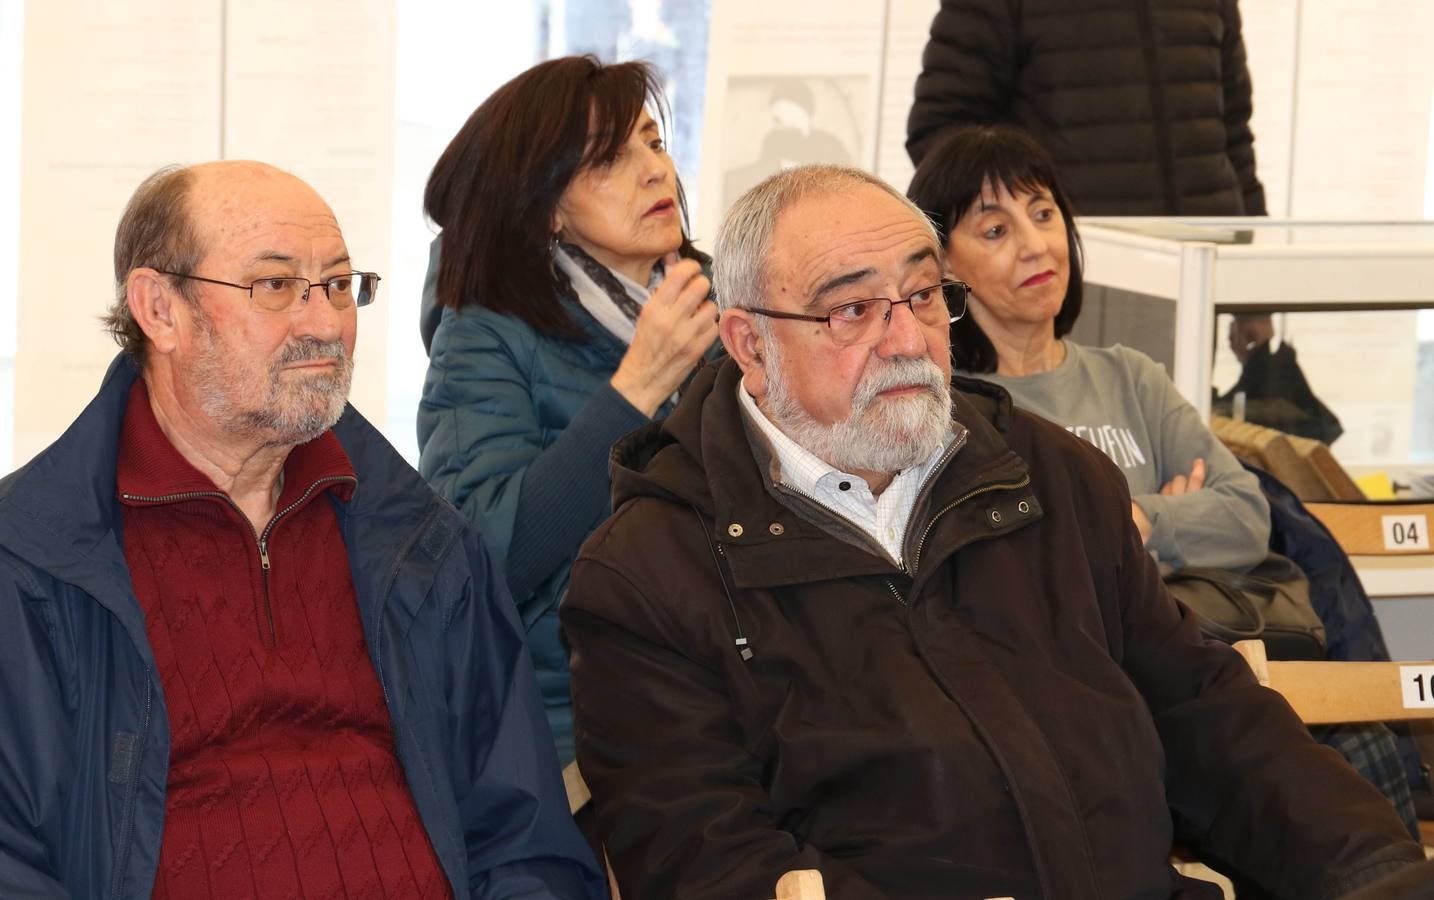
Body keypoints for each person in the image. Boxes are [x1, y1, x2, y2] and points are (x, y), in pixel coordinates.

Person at [559, 164, 1424, 898]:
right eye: (852, 311)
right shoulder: (649, 578)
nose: (907, 339)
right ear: (748, 344)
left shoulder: (1043, 474)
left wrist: (1381, 873)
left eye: (924, 294)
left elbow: (1208, 717)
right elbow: (711, 865)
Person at [0, 162, 604, 898]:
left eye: (341, 285)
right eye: (276, 286)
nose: (325, 323)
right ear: (160, 310)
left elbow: (526, 837)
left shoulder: (425, 546)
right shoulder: (31, 563)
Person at [417, 56, 718, 765]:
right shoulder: (484, 333)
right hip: (575, 732)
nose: (655, 171)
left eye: (654, 141)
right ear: (548, 206)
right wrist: (636, 391)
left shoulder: (716, 306)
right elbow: (482, 561)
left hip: (726, 704)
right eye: (612, 158)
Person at [908, 124, 1269, 573]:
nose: (1036, 247)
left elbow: (1247, 518)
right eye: (997, 230)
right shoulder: (945, 410)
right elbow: (1011, 568)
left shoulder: (1133, 379)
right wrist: (1166, 528)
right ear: (942, 264)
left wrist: (1143, 519)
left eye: (1043, 214)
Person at [906, 0, 1267, 216]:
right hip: (1065, 275)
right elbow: (940, 130)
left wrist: (1254, 282)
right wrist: (1022, 226)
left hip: (1201, 276)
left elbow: (1234, 133)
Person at [1214, 312, 1344, 444]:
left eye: (1234, 328)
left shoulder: (1274, 375)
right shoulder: (1278, 371)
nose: (1229, 340)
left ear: (1249, 334)